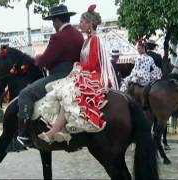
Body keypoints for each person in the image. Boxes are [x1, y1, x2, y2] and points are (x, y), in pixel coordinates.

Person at [37, 4, 118, 143]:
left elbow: (92, 65)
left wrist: (77, 65)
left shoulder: (95, 40)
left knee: (68, 91)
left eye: (82, 22)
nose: (79, 25)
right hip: (85, 73)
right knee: (62, 92)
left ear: (90, 23)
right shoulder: (87, 40)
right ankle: (60, 129)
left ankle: (55, 130)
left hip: (94, 75)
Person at [17, 4, 84, 147]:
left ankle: (22, 137)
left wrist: (37, 58)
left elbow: (45, 60)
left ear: (58, 20)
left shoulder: (58, 37)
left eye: (53, 21)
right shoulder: (78, 34)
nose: (53, 24)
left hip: (60, 76)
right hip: (76, 75)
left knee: (25, 94)